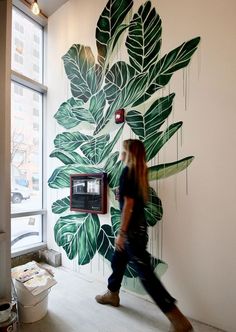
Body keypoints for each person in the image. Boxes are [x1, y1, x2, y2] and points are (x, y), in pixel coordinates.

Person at [95, 139, 193, 332]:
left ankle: (177, 317)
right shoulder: (140, 173)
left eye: (123, 152)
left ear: (130, 154)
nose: (120, 155)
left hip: (131, 232)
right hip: (140, 230)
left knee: (146, 275)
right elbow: (133, 201)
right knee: (118, 260)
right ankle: (112, 293)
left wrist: (122, 233)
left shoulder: (127, 172)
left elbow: (129, 206)